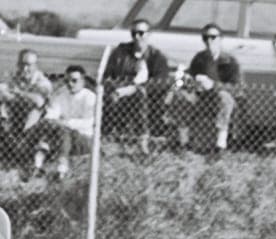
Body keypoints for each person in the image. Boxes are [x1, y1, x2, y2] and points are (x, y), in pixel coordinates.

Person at [170, 23, 241, 153]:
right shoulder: (199, 58)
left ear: (220, 39)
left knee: (224, 98)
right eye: (205, 37)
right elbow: (190, 77)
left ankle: (221, 144)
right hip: (201, 96)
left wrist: (213, 85)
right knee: (182, 97)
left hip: (219, 98)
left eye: (213, 37)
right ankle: (184, 143)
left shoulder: (230, 61)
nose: (209, 41)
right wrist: (189, 83)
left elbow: (236, 87)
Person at [102, 18, 169, 155]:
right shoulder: (120, 53)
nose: (137, 36)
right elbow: (107, 76)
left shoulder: (157, 56)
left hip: (148, 100)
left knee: (140, 94)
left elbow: (161, 82)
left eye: (141, 33)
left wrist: (135, 88)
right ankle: (110, 138)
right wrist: (120, 87)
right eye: (134, 33)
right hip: (119, 95)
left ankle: (142, 139)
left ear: (149, 34)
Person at [33, 64, 96, 179]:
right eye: (67, 80)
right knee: (49, 125)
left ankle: (60, 168)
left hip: (84, 140)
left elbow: (89, 122)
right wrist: (55, 122)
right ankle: (38, 167)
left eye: (74, 80)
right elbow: (51, 114)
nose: (70, 84)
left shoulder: (90, 97)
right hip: (62, 136)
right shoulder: (62, 95)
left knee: (63, 130)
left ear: (83, 81)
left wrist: (66, 123)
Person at [0, 49, 52, 157]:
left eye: (29, 65)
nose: (25, 69)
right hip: (17, 112)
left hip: (36, 117)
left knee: (35, 109)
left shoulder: (42, 81)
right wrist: (6, 92)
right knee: (0, 106)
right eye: (22, 64)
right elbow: (3, 90)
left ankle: (23, 144)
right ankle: (5, 143)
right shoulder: (17, 77)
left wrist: (19, 93)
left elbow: (39, 101)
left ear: (36, 66)